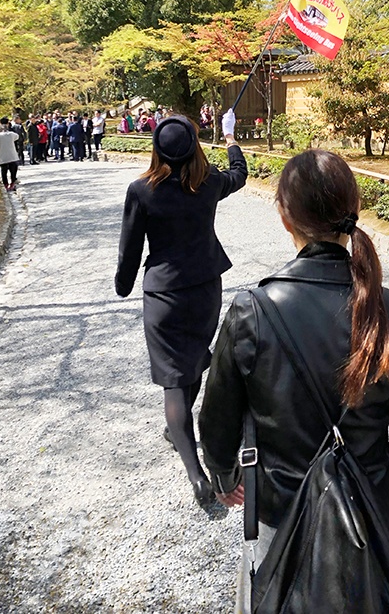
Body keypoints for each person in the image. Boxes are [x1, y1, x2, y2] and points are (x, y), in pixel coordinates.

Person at [199, 149, 389, 612]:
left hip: (280, 510)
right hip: (372, 506)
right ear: (354, 210)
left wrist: (226, 477)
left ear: (286, 217)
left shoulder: (254, 311)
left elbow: (217, 419)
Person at [115, 110, 247, 508]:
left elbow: (130, 248)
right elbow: (239, 173)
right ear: (194, 147)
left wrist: (123, 285)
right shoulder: (207, 184)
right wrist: (229, 137)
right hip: (205, 288)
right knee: (191, 364)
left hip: (164, 294)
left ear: (156, 148)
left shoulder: (142, 190)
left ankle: (195, 473)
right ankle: (180, 431)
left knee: (175, 377)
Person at [0, 118, 20, 191]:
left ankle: (6, 184)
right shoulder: (11, 134)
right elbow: (17, 137)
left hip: (2, 156)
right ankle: (13, 183)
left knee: (4, 171)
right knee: (13, 170)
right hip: (12, 156)